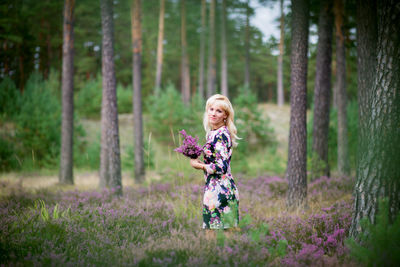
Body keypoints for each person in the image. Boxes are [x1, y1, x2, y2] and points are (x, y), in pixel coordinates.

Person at [189, 94, 240, 239]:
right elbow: (215, 160)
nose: (213, 113)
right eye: (211, 109)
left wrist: (199, 166)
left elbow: (221, 166)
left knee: (215, 234)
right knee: (218, 234)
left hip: (221, 190)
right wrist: (200, 161)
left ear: (225, 115)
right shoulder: (213, 133)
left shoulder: (221, 134)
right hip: (215, 187)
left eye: (219, 111)